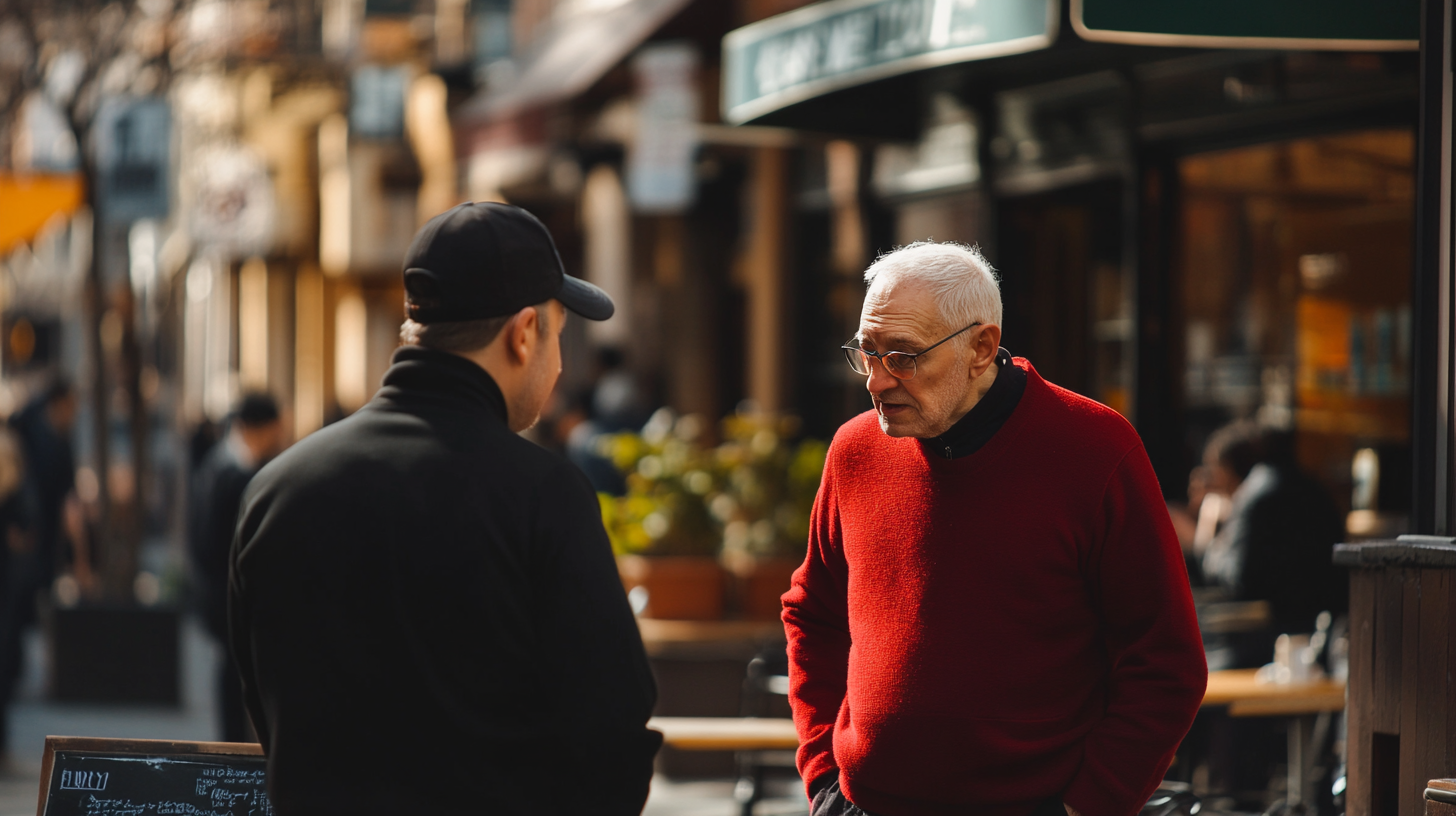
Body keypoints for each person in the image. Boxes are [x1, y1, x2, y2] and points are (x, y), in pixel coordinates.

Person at [228, 202, 661, 815]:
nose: (560, 364)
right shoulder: (542, 494)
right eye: (560, 336)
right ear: (525, 332)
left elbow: (267, 709)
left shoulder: (274, 490)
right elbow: (613, 727)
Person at [785, 242, 1208, 816]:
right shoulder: (854, 450)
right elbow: (813, 613)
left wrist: (1090, 806)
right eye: (867, 352)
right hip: (863, 804)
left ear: (981, 348)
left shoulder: (1094, 449)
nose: (876, 382)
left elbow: (1166, 662)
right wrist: (822, 776)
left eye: (903, 357)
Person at [188, 392, 284, 743]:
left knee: (233, 671)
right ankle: (232, 746)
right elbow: (217, 542)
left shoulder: (221, 464)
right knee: (235, 673)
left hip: (219, 590)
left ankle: (234, 741)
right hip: (227, 591)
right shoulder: (233, 473)